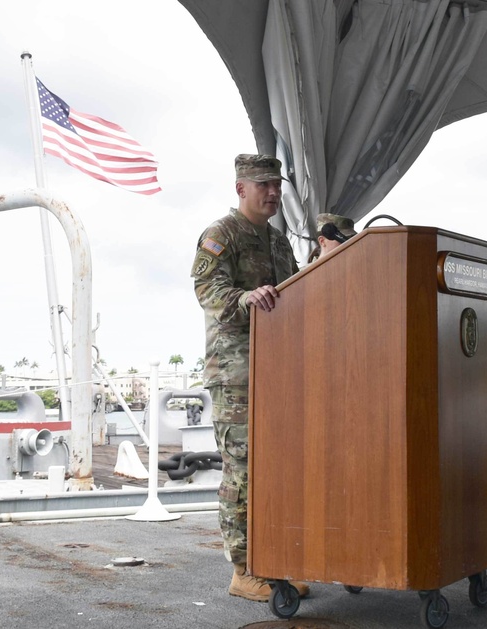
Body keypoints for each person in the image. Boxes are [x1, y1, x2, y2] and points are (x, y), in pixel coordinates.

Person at [191, 153, 308, 602]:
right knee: (242, 470)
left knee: (279, 468)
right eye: (263, 185)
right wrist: (246, 298)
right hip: (236, 372)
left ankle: (274, 561)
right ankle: (244, 570)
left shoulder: (278, 242)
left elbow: (299, 289)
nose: (273, 192)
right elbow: (208, 290)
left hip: (280, 371)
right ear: (241, 189)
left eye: (276, 184)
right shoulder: (222, 234)